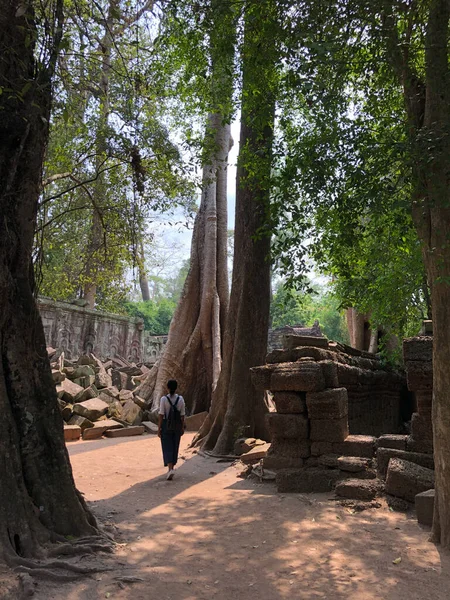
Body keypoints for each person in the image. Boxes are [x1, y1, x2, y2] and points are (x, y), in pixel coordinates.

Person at [158, 379, 185, 480]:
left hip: (166, 425)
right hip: (177, 425)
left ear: (167, 388)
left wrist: (159, 428)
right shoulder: (181, 399)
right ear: (176, 388)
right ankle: (172, 467)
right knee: (175, 445)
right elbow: (182, 415)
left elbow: (161, 414)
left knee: (167, 445)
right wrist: (182, 427)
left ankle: (170, 469)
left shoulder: (164, 399)